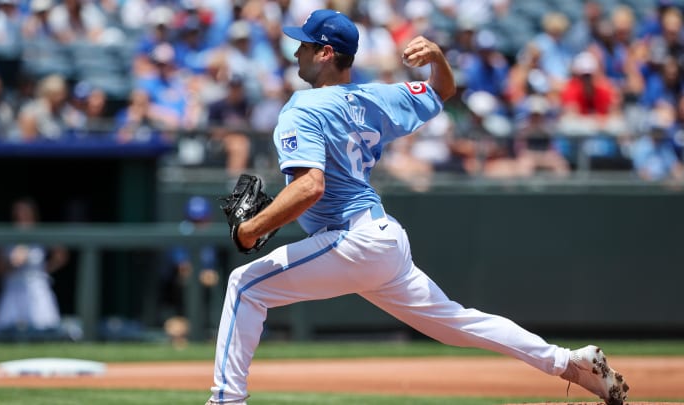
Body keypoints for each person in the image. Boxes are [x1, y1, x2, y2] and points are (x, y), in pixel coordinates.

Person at [205, 9, 629, 405]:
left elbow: (310, 187)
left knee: (245, 285)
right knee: (458, 322)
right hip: (382, 239)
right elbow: (443, 90)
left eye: (304, 45)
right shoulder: (375, 98)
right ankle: (568, 362)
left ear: (325, 52)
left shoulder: (301, 108)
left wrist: (249, 229)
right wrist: (439, 58)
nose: (296, 51)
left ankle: (225, 399)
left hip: (353, 239)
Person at [0, 198, 69, 341]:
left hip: (37, 285)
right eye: (18, 214)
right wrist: (12, 264)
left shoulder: (41, 233)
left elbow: (61, 255)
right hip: (13, 286)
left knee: (45, 328)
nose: (21, 217)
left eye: (25, 214)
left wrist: (45, 269)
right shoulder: (6, 235)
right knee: (5, 331)